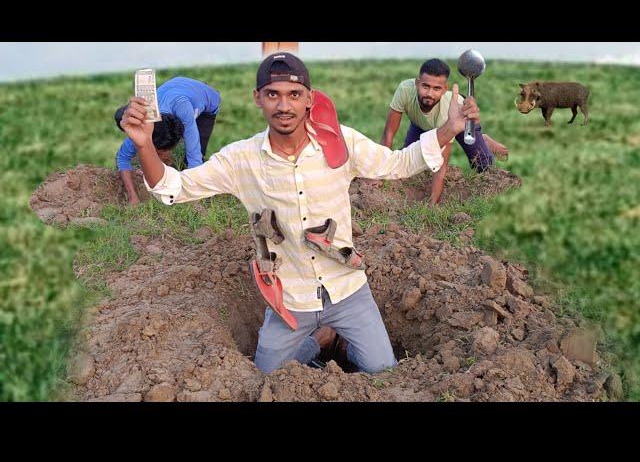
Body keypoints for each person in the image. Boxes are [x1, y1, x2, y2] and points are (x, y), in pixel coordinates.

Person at [119, 52, 480, 374]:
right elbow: (174, 188)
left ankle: (340, 335)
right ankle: (320, 340)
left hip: (347, 290)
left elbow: (400, 163)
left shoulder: (341, 142)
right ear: (257, 98)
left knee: (383, 371)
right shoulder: (241, 160)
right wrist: (145, 144)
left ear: (309, 99)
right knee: (265, 378)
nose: (284, 106)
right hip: (288, 299)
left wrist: (449, 128)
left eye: (294, 95)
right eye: (273, 94)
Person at [380, 59, 508, 205]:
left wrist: (433, 203)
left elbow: (441, 165)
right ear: (417, 83)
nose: (429, 93)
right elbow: (388, 134)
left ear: (444, 89)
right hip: (421, 125)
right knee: (409, 161)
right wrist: (378, 173)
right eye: (425, 86)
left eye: (436, 89)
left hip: (458, 122)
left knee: (484, 165)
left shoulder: (447, 111)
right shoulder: (405, 90)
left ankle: (481, 139)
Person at [114, 76, 221, 205]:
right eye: (158, 152)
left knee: (196, 153)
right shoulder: (145, 125)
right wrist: (133, 196)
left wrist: (195, 200)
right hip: (172, 89)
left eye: (162, 152)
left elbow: (195, 157)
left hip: (207, 102)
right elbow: (122, 158)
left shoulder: (184, 110)